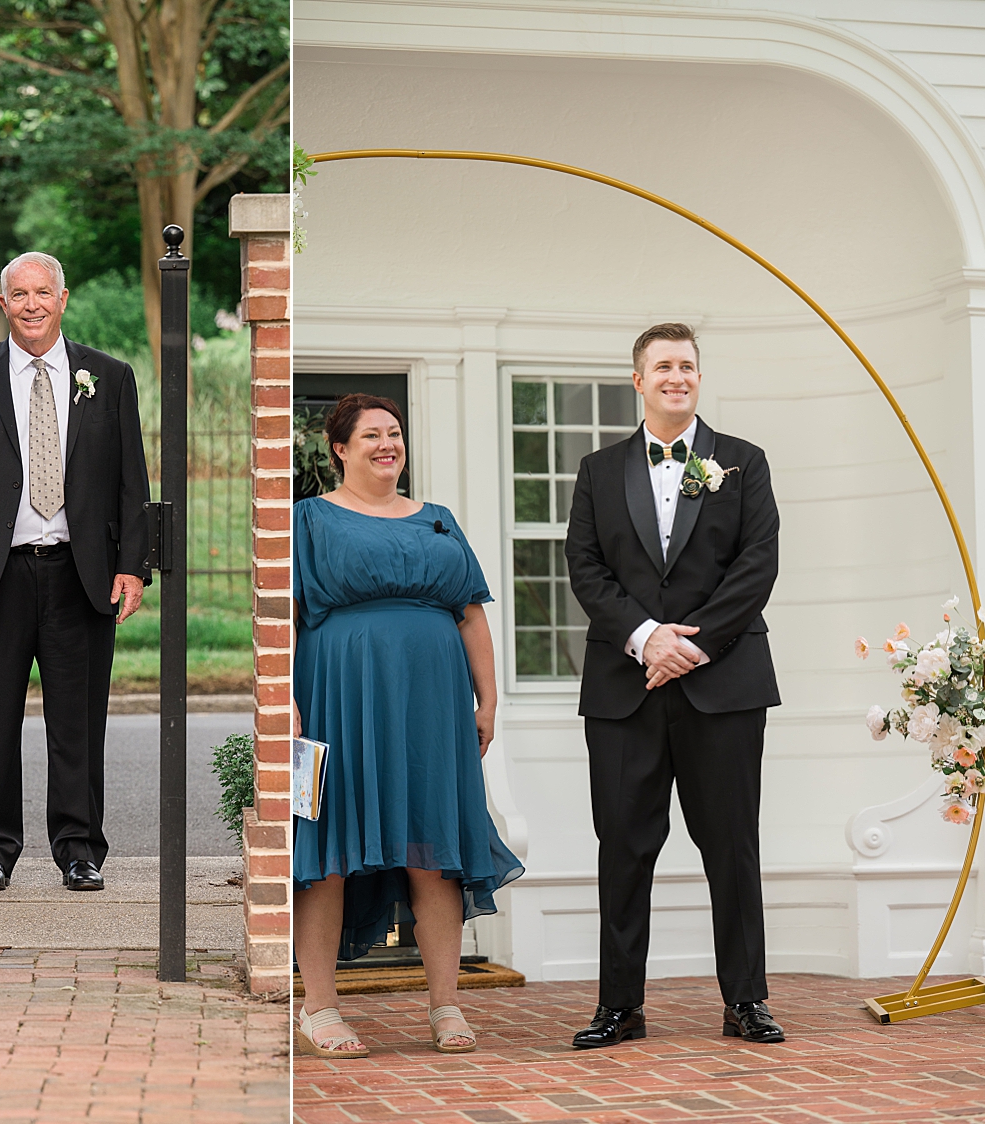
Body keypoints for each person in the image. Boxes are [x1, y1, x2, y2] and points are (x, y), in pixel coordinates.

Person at [564, 323, 785, 1048]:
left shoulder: (743, 464)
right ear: (639, 379)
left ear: (698, 377)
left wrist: (688, 648)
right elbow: (587, 568)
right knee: (623, 846)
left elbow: (757, 567)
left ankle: (746, 1002)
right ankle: (619, 1007)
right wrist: (644, 638)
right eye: (663, 366)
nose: (676, 376)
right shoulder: (598, 470)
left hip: (723, 686)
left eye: (687, 365)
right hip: (624, 688)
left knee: (732, 845)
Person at [292, 393, 523, 1059]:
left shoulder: (439, 520)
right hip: (341, 695)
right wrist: (289, 703)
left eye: (394, 434)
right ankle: (320, 1009)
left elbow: (471, 614)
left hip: (433, 705)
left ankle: (446, 1004)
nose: (386, 445)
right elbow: (284, 611)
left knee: (435, 853)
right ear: (339, 448)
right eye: (371, 436)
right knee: (330, 853)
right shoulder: (310, 519)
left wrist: (488, 700)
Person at [0, 251, 151, 893]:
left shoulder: (109, 376)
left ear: (63, 298)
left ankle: (79, 848)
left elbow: (132, 481)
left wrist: (132, 566)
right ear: (3, 304)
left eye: (42, 293)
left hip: (82, 572)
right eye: (18, 294)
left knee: (78, 720)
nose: (31, 305)